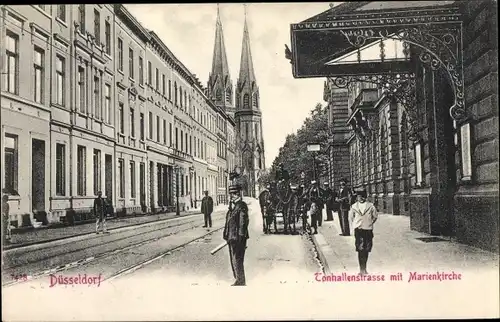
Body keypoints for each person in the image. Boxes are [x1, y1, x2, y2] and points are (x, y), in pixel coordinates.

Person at [223, 184, 249, 286]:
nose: (231, 196)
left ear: (238, 194)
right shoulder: (233, 207)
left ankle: (240, 281)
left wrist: (241, 237)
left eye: (234, 194)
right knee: (233, 259)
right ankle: (238, 279)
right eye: (231, 194)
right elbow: (229, 221)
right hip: (231, 237)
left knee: (237, 259)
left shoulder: (241, 206)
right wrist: (226, 234)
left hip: (238, 238)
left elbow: (243, 222)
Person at [349, 188, 378, 275]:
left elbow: (375, 216)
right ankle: (361, 269)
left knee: (366, 249)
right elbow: (351, 217)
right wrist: (355, 225)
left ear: (365, 197)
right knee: (360, 249)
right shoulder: (354, 206)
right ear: (357, 197)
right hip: (358, 230)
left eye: (362, 196)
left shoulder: (370, 206)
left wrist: (370, 223)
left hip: (368, 230)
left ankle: (364, 268)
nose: (360, 198)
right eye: (359, 196)